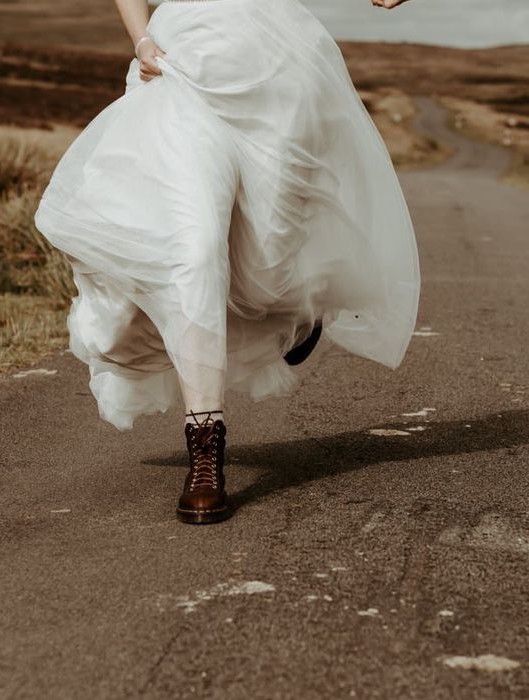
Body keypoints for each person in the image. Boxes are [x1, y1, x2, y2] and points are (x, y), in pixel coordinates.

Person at [34, 0, 419, 524]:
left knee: (266, 269)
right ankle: (205, 446)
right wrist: (142, 40)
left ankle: (299, 311)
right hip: (181, 66)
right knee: (191, 250)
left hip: (277, 68)